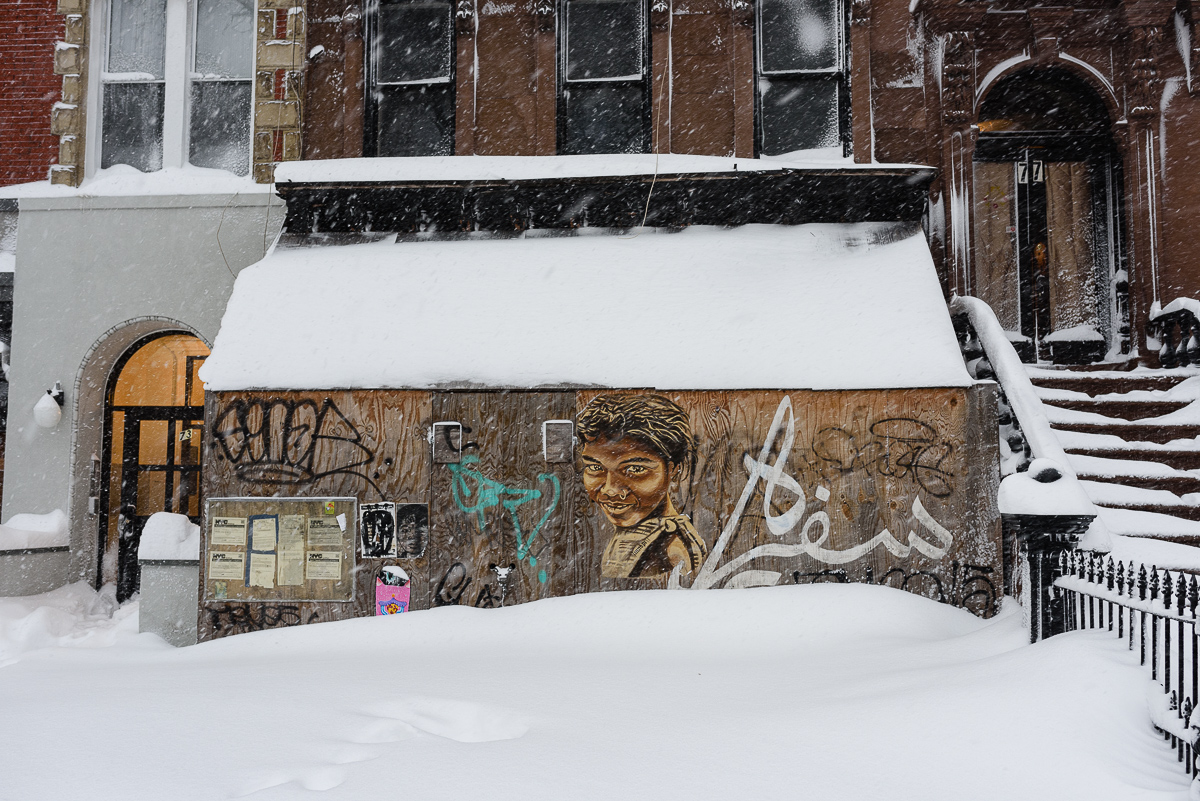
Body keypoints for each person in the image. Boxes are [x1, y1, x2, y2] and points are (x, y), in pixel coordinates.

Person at [576, 393, 708, 579]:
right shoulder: (637, 534)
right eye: (595, 467)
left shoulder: (672, 551)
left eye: (635, 469)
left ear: (673, 469)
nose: (610, 490)